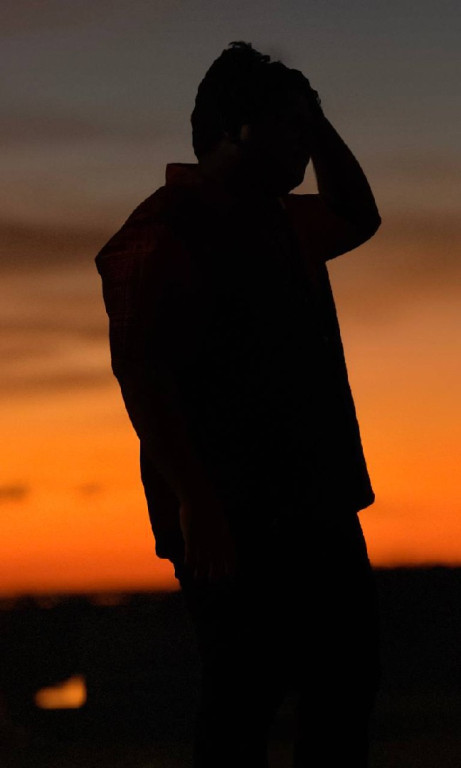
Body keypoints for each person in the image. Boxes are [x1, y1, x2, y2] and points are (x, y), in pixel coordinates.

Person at [95, 41, 382, 767]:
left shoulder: (281, 221)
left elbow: (356, 214)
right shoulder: (161, 234)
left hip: (314, 497)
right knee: (244, 694)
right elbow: (142, 374)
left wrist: (316, 120)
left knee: (342, 683)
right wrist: (196, 501)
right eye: (288, 126)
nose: (302, 143)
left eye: (305, 127)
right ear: (233, 130)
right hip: (229, 514)